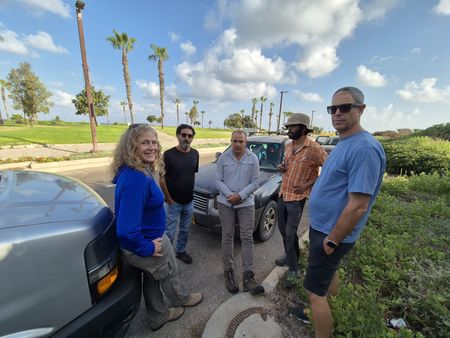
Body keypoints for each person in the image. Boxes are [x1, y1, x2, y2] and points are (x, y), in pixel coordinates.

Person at [296, 87, 386, 338]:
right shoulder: (346, 142)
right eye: (332, 108)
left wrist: (332, 239)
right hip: (323, 228)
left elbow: (358, 205)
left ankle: (320, 317)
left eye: (344, 107)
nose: (337, 113)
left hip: (331, 233)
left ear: (361, 110)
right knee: (329, 273)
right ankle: (327, 306)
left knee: (313, 292)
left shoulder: (365, 148)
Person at [111, 124, 203, 331]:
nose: (152, 147)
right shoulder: (136, 178)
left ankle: (158, 316)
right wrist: (149, 249)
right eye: (145, 142)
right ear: (131, 146)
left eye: (153, 142)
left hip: (151, 237)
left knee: (153, 278)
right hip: (149, 243)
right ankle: (181, 299)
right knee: (169, 273)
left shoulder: (137, 170)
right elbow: (125, 231)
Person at [276, 113, 327, 288]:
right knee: (284, 232)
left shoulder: (314, 149)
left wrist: (308, 184)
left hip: (297, 199)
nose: (289, 130)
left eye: (293, 127)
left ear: (304, 129)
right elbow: (285, 166)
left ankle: (294, 270)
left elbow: (327, 170)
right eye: (288, 127)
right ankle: (291, 257)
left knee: (290, 234)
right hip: (283, 194)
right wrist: (281, 168)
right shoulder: (289, 146)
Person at [216, 130, 265, 294]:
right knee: (228, 235)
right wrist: (230, 195)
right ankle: (228, 272)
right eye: (235, 141)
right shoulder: (223, 158)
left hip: (246, 203)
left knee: (246, 237)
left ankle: (248, 276)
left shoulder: (253, 159)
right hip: (226, 202)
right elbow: (218, 180)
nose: (237, 144)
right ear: (231, 141)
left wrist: (241, 195)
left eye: (241, 142)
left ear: (246, 142)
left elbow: (256, 181)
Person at [160, 124, 199, 264]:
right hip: (173, 203)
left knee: (184, 230)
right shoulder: (168, 155)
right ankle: (167, 257)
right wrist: (169, 199)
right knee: (169, 232)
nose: (186, 138)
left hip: (189, 202)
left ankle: (180, 251)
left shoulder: (195, 154)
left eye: (190, 136)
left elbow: (192, 175)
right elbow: (161, 178)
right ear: (178, 136)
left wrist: (191, 194)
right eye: (184, 135)